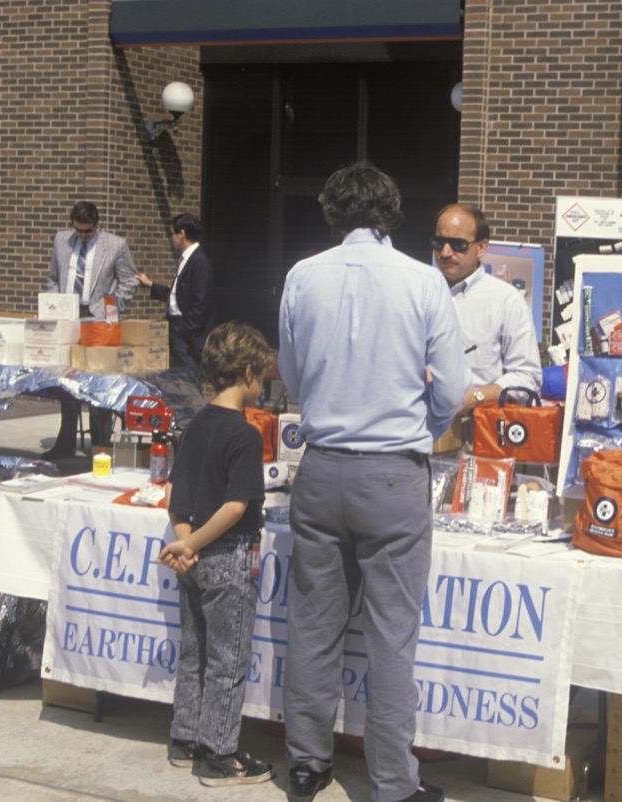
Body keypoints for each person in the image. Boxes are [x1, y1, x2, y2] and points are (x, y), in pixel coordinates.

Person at [277, 162, 469, 802]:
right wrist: (423, 421)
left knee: (313, 624)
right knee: (392, 639)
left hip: (324, 463)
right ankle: (393, 784)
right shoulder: (423, 281)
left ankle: (305, 763)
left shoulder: (303, 275)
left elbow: (294, 377)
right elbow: (455, 389)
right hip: (393, 472)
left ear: (332, 214)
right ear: (390, 216)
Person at [156, 320, 275, 786]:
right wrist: (192, 543)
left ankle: (185, 737)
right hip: (227, 554)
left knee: (195, 650)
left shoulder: (195, 424)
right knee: (228, 659)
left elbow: (176, 495)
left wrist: (185, 541)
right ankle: (219, 752)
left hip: (193, 558)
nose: (263, 383)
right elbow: (236, 505)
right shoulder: (243, 435)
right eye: (262, 374)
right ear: (247, 372)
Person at [42, 201, 139, 460]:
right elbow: (52, 277)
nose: (83, 235)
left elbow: (129, 279)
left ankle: (100, 446)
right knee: (68, 383)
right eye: (79, 231)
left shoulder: (116, 245)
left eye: (88, 231)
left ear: (97, 225)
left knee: (98, 385)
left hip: (98, 320)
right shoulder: (62, 241)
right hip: (68, 316)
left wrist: (113, 307)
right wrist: (55, 303)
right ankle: (65, 443)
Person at [432, 203, 541, 417]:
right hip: (418, 432)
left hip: (477, 433)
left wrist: (475, 396)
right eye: (438, 242)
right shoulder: (417, 294)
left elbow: (528, 376)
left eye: (458, 244)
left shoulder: (506, 300)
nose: (445, 252)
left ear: (481, 247)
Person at [134, 213, 217, 388]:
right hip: (179, 329)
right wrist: (151, 285)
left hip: (187, 334)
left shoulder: (199, 261)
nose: (170, 238)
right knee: (181, 381)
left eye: (171, 233)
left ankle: (191, 414)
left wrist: (186, 331)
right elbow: (177, 296)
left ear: (182, 234)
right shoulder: (186, 260)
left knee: (189, 381)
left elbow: (201, 303)